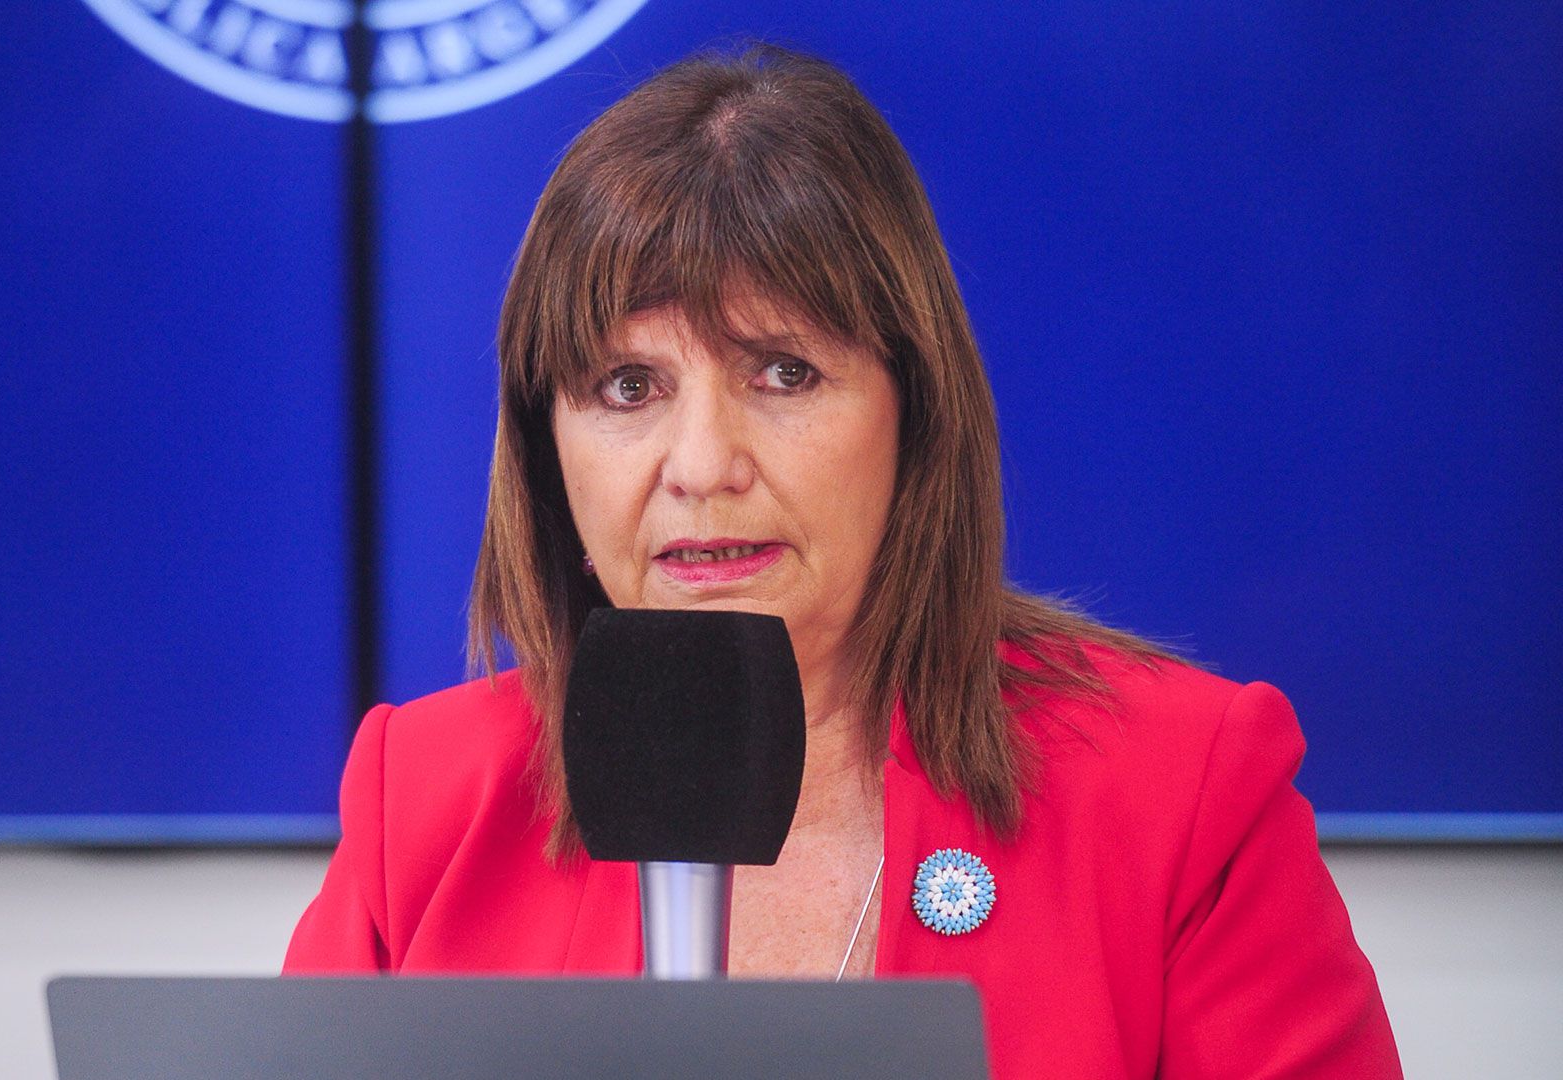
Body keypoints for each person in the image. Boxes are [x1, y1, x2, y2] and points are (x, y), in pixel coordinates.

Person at [286, 45, 1402, 1078]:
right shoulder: (424, 800)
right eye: (629, 388)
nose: (703, 465)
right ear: (546, 451)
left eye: (782, 373)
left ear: (912, 412)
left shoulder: (1181, 793)